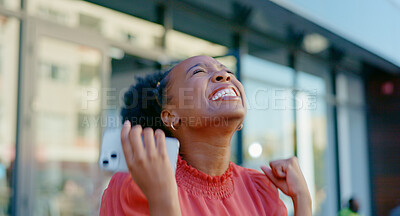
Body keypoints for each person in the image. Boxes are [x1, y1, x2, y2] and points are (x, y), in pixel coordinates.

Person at [100, 55, 311, 216]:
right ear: (170, 115)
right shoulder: (134, 186)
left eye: (228, 71)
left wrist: (302, 200)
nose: (225, 76)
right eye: (198, 72)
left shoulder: (260, 189)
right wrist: (162, 196)